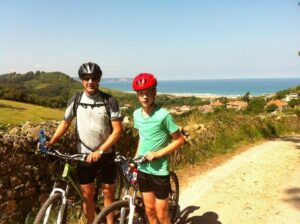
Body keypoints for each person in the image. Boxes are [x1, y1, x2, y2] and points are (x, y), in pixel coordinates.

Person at [47, 62, 122, 224]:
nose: (90, 81)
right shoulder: (76, 100)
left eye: (94, 78)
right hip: (84, 156)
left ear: (99, 80)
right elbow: (65, 123)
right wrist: (51, 142)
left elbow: (117, 131)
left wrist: (100, 151)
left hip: (106, 154)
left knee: (108, 193)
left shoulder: (109, 101)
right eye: (86, 78)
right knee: (87, 195)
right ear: (81, 80)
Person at [132, 73, 185, 224]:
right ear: (137, 95)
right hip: (143, 168)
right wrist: (135, 159)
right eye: (141, 93)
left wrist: (158, 153)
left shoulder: (164, 115)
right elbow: (142, 138)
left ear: (154, 93)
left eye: (148, 92)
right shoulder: (136, 114)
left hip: (159, 170)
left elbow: (180, 140)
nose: (145, 97)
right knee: (149, 210)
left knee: (161, 214)